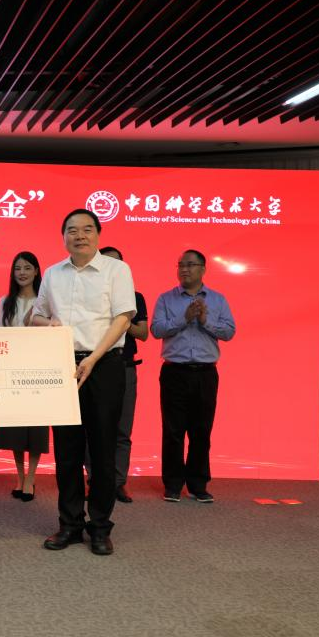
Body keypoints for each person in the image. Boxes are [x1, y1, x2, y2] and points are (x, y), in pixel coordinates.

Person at [31, 209, 136, 556]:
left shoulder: (116, 270)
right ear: (63, 237)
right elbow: (37, 316)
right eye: (72, 230)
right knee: (67, 450)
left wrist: (92, 358)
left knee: (103, 449)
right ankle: (70, 524)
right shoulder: (52, 273)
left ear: (98, 235)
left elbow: (123, 319)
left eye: (87, 229)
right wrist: (50, 326)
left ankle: (101, 526)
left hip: (104, 364)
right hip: (62, 365)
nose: (80, 236)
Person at [150, 250, 236, 503]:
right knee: (173, 431)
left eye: (190, 265)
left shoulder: (218, 300)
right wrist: (184, 318)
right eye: (181, 265)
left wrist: (205, 321)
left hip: (205, 373)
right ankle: (173, 485)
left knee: (201, 431)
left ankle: (198, 485)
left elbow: (229, 332)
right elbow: (156, 329)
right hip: (174, 372)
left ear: (203, 269)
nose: (184, 269)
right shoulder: (166, 298)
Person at [0, 251, 49, 502]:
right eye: (17, 268)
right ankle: (19, 476)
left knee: (35, 427)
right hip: (11, 370)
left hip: (38, 370)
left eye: (27, 268)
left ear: (36, 271)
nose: (22, 273)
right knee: (15, 428)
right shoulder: (6, 301)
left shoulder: (45, 302)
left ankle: (31, 478)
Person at [99, 246, 148, 504]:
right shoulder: (90, 296)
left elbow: (143, 333)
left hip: (125, 366)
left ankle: (118, 482)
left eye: (116, 263)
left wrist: (122, 320)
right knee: (93, 429)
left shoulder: (134, 297)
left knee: (122, 429)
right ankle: (94, 479)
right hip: (95, 367)